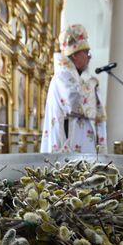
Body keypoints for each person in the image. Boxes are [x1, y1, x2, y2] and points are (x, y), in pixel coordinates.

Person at [40, 24, 107, 153]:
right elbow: (74, 103)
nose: (89, 56)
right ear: (75, 55)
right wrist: (91, 85)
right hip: (67, 147)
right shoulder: (62, 77)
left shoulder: (77, 79)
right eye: (86, 52)